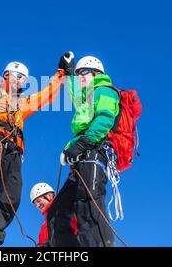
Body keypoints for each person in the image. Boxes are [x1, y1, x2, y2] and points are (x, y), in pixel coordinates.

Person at [0, 52, 75, 247]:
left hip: (13, 151)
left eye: (24, 78)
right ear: (6, 75)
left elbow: (45, 96)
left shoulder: (20, 104)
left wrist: (61, 73)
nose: (20, 81)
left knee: (12, 195)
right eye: (17, 76)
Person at [47, 55, 119, 247]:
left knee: (88, 205)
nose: (80, 76)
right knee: (57, 213)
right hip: (82, 155)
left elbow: (105, 119)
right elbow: (76, 95)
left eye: (83, 72)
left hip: (94, 151)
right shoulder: (87, 96)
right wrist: (70, 71)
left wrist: (82, 144)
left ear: (97, 73)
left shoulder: (104, 91)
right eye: (78, 73)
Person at [30, 182, 77, 247]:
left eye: (38, 201)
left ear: (49, 196)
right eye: (35, 204)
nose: (37, 206)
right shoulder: (44, 225)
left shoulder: (64, 208)